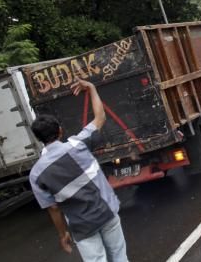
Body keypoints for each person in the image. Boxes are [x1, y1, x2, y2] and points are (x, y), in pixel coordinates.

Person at [29, 79, 128, 262]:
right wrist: (91, 88)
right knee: (119, 257)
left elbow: (53, 209)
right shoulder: (79, 144)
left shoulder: (36, 174)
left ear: (39, 139)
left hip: (80, 225)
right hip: (106, 212)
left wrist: (62, 234)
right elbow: (100, 118)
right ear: (60, 131)